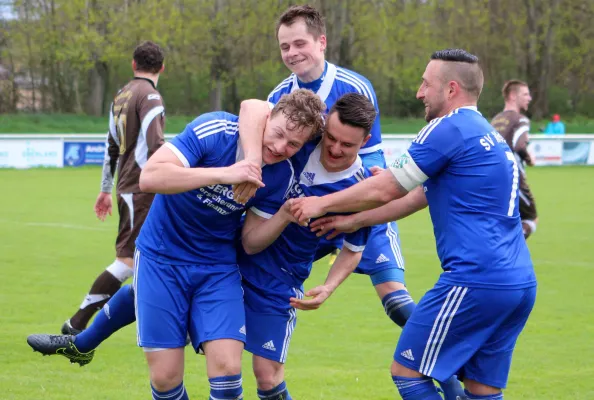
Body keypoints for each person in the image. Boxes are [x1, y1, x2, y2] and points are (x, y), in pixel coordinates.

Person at [28, 89, 326, 400]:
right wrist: (228, 174)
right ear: (268, 118)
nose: (280, 147)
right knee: (165, 378)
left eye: (293, 144)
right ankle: (84, 342)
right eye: (277, 134)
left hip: (217, 267)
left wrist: (283, 216)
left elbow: (250, 243)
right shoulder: (215, 131)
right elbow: (151, 177)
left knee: (227, 370)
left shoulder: (281, 174)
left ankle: (84, 341)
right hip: (161, 258)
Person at [290, 49, 537, 400]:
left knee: (408, 371)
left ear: (451, 89)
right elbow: (416, 196)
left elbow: (387, 187)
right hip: (519, 283)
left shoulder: (447, 127)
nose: (420, 92)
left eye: (426, 84)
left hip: (474, 279)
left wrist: (320, 203)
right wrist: (354, 220)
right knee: (482, 389)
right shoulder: (486, 135)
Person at [238, 93, 375, 400]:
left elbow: (354, 249)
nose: (336, 149)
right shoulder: (300, 137)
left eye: (348, 145)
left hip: (279, 279)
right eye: (332, 138)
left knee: (267, 375)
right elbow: (256, 109)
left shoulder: (362, 190)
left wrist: (328, 287)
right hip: (231, 252)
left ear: (365, 141)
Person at [61, 41, 166, 336]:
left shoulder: (120, 95)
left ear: (134, 65)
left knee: (151, 257)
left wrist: (106, 189)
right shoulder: (151, 97)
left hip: (127, 186)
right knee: (128, 260)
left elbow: (111, 146)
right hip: (143, 188)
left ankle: (166, 324)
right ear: (162, 68)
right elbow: (156, 144)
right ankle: (77, 323)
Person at [491, 80, 539, 239]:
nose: (529, 98)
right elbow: (519, 146)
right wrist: (529, 158)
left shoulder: (495, 121)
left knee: (502, 221)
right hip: (512, 177)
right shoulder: (520, 120)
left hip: (492, 179)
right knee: (531, 219)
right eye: (525, 94)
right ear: (512, 96)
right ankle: (502, 253)